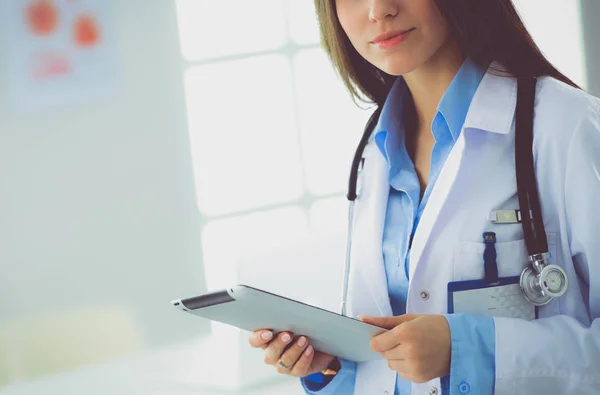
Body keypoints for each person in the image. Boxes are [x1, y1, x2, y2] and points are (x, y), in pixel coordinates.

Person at [248, 0, 600, 394]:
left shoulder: (568, 126)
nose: (378, 10)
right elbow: (391, 368)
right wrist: (333, 369)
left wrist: (468, 349)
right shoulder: (375, 153)